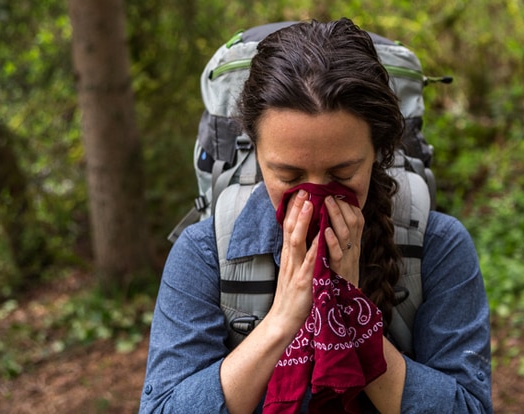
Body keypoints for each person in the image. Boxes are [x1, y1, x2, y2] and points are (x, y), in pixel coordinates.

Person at [139, 18, 492, 413]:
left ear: (379, 152)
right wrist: (281, 322)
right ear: (256, 153)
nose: (314, 196)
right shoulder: (207, 252)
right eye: (288, 175)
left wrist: (352, 321)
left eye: (342, 174)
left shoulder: (436, 245)